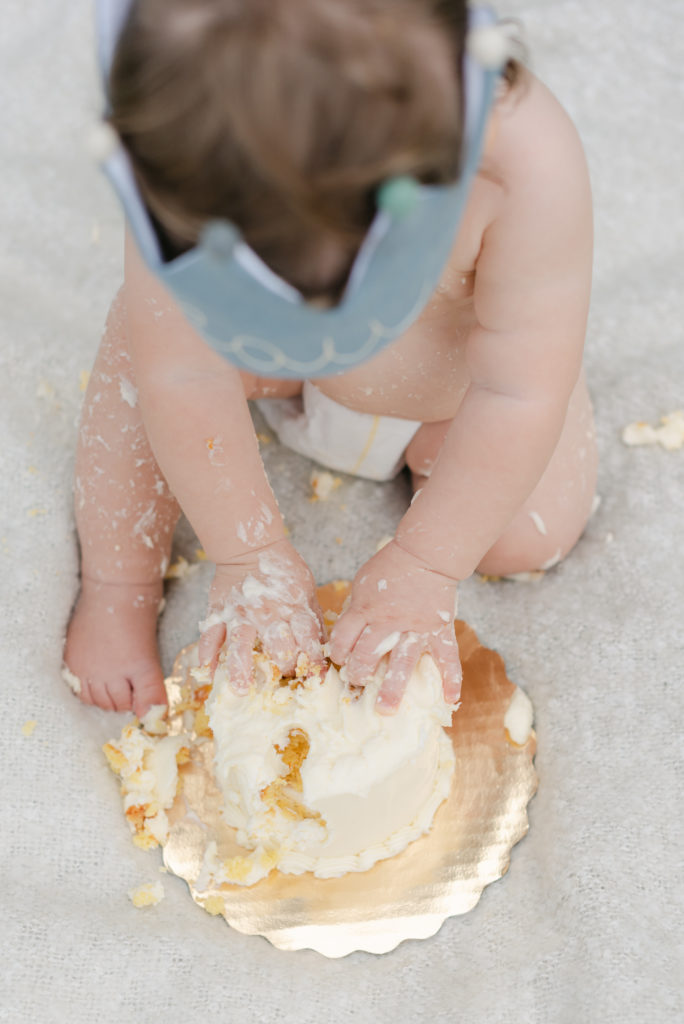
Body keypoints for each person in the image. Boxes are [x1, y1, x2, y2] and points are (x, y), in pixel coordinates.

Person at [63, 0, 597, 718]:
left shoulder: (525, 167)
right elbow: (180, 371)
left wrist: (427, 564)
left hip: (450, 394)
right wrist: (246, 555)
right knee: (141, 344)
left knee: (531, 533)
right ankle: (119, 582)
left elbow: (518, 390)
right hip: (263, 367)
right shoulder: (179, 133)